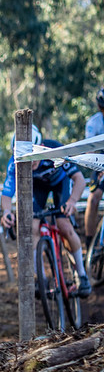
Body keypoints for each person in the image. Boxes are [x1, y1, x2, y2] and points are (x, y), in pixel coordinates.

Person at [0, 125, 91, 297]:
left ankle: (82, 275)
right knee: (32, 227)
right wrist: (6, 212)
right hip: (37, 189)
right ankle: (39, 278)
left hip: (60, 184)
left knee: (63, 225)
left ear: (40, 148)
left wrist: (71, 201)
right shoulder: (14, 162)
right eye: (27, 160)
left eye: (34, 158)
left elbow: (79, 180)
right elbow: (6, 194)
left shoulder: (54, 150)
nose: (31, 163)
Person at [83, 87, 104, 251]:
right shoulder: (93, 123)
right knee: (93, 198)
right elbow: (90, 151)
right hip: (99, 163)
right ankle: (89, 243)